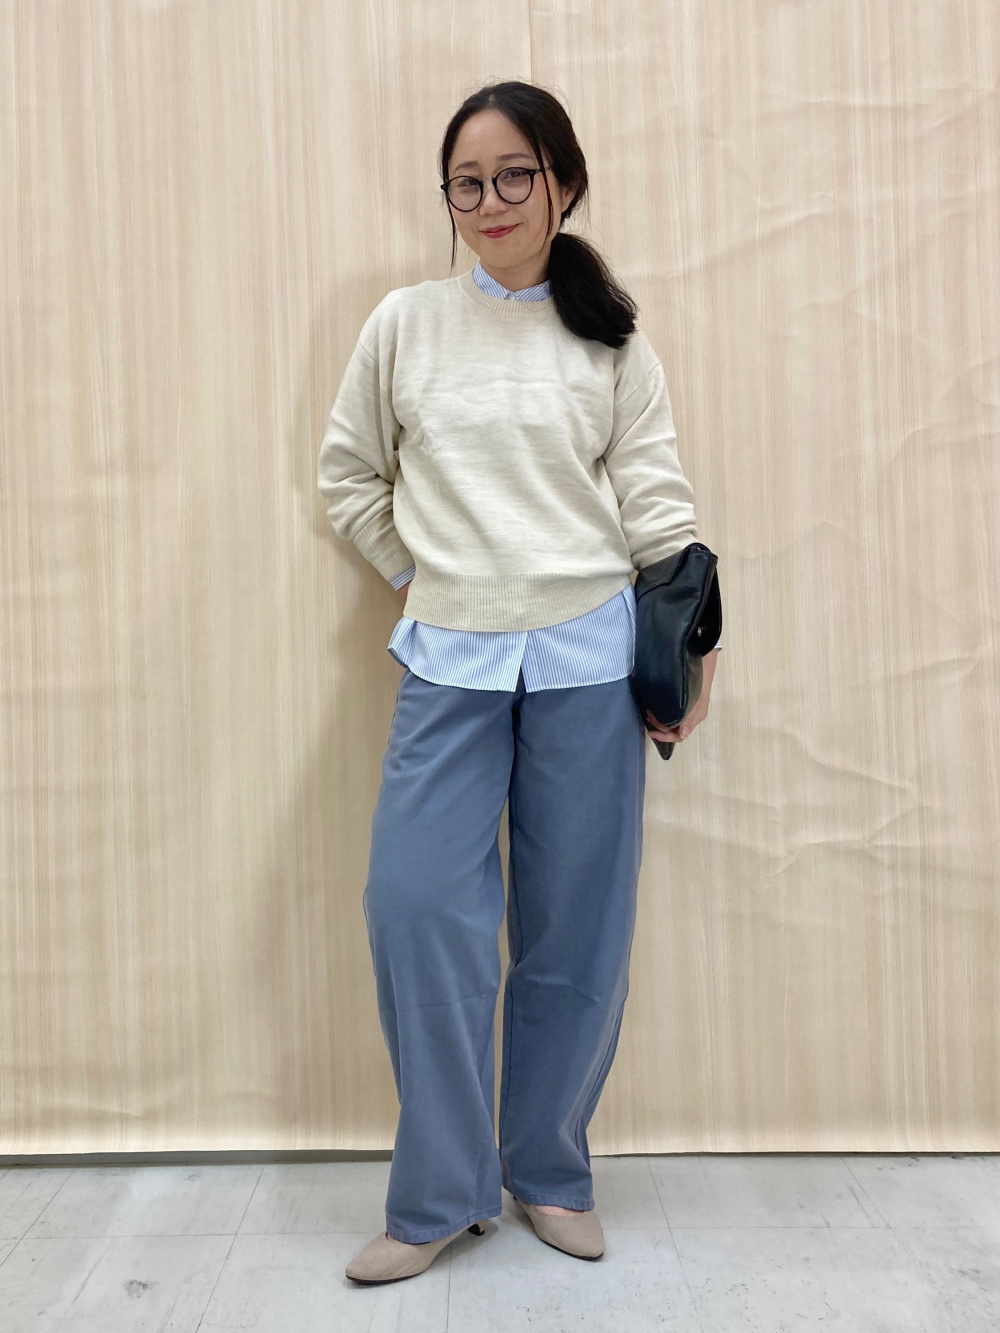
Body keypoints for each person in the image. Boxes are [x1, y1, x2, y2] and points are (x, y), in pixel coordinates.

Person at [317, 79, 719, 1286]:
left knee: (575, 928)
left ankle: (547, 1168)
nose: (488, 200)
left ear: (562, 183)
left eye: (512, 176)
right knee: (414, 906)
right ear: (446, 197)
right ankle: (441, 1191)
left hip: (590, 661)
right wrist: (415, 571)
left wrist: (691, 648)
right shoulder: (404, 325)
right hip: (449, 657)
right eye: (466, 182)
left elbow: (655, 503)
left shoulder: (612, 338)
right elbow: (348, 475)